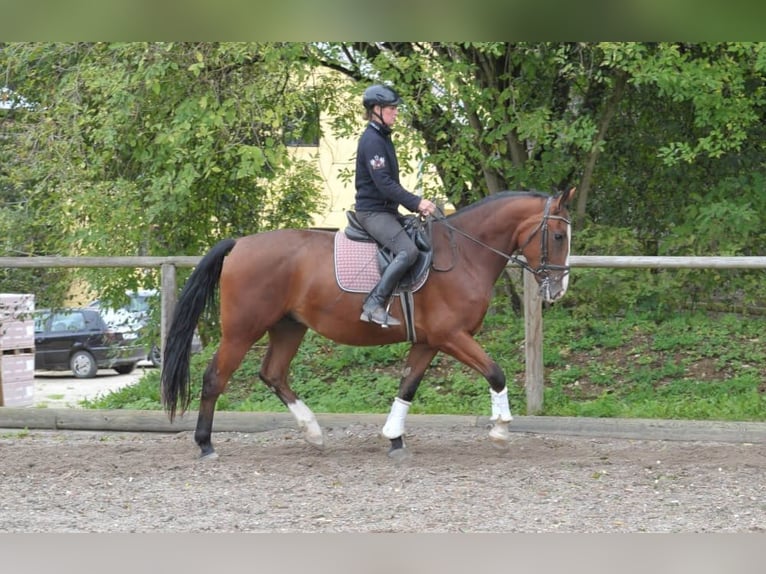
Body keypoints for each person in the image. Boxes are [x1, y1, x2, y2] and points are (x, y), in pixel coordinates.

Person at [354, 83, 437, 327]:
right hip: (372, 213)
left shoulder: (382, 137)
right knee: (408, 251)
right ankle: (373, 304)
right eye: (391, 108)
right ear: (376, 109)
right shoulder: (372, 141)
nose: (396, 112)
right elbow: (384, 184)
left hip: (386, 211)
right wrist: (417, 202)